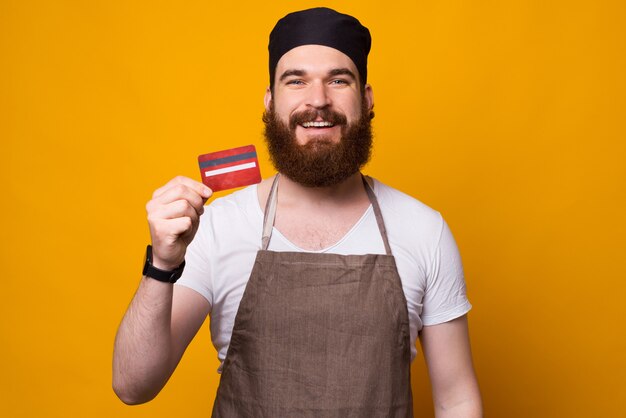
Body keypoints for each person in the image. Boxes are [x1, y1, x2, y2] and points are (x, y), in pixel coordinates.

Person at [113, 7, 482, 417]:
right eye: (296, 80)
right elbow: (133, 385)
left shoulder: (422, 229)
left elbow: (457, 399)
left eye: (339, 80)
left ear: (367, 98)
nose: (318, 100)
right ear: (270, 101)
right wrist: (163, 263)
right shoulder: (218, 226)